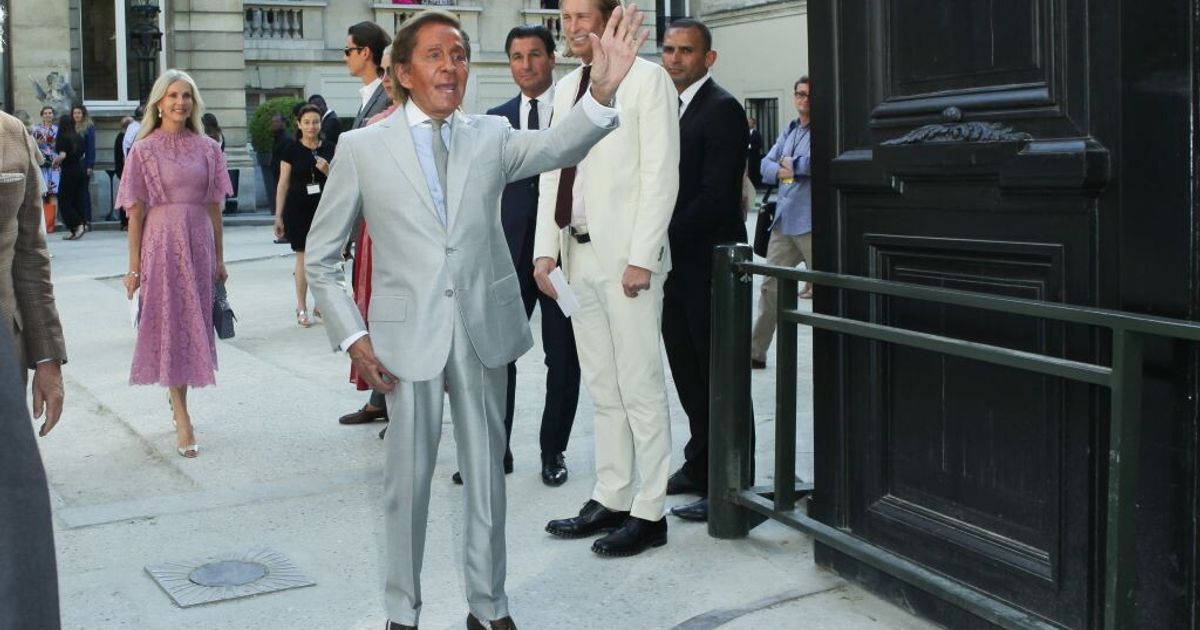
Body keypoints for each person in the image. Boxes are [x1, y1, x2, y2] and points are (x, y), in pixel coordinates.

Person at [304, 8, 643, 628]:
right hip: (404, 341)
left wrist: (601, 92)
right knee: (407, 486)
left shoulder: (491, 134)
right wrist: (353, 336)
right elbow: (322, 259)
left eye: (458, 55)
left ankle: (489, 608)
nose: (450, 67)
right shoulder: (361, 148)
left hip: (483, 330)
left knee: (487, 479)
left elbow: (558, 145)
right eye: (435, 55)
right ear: (403, 72)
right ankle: (401, 612)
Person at [535, 0, 679, 558]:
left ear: (610, 19)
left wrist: (643, 256)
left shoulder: (648, 80)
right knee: (602, 386)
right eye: (565, 17)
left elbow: (660, 174)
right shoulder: (565, 90)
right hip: (576, 258)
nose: (571, 27)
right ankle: (612, 495)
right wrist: (545, 251)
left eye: (582, 16)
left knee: (640, 385)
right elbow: (552, 172)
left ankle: (650, 511)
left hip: (626, 263)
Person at [459, 23, 578, 487]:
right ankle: (496, 450)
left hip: (561, 258)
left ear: (552, 58)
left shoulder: (573, 111)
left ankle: (553, 452)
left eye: (534, 54)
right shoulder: (495, 120)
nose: (526, 65)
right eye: (516, 56)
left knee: (563, 359)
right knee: (497, 357)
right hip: (506, 257)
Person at [657, 18, 749, 522]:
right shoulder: (667, 106)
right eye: (669, 49)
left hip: (713, 264)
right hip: (675, 266)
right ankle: (700, 465)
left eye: (686, 50)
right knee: (688, 371)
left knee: (721, 376)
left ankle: (733, 485)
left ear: (708, 58)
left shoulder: (723, 108)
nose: (674, 58)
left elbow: (717, 197)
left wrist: (657, 238)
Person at [116, 69, 233, 459]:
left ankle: (178, 398)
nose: (180, 102)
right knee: (171, 323)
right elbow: (135, 214)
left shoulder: (208, 148)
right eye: (173, 96)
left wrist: (220, 258)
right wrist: (133, 269)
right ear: (159, 103)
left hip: (199, 244)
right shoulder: (143, 150)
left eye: (186, 96)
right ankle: (182, 416)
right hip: (161, 244)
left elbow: (215, 208)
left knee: (192, 324)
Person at [0, 6, 69, 616]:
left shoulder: (12, 136)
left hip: (1, 347)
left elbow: (30, 259)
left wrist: (47, 360)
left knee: (17, 506)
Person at [334, 20, 392, 428]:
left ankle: (390, 400)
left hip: (384, 227)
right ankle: (380, 399)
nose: (345, 58)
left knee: (382, 312)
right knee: (370, 309)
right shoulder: (369, 100)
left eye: (348, 50)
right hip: (367, 227)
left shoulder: (385, 101)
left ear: (365, 53)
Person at [750, 76, 813, 370]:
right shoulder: (790, 129)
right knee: (770, 288)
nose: (804, 99)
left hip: (811, 222)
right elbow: (764, 165)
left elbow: (813, 162)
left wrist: (789, 165)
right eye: (800, 94)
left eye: (809, 95)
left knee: (829, 289)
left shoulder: (825, 128)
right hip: (784, 221)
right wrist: (789, 169)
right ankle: (756, 352)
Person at [274, 104, 333, 327]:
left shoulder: (330, 148)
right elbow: (283, 183)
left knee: (323, 258)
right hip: (298, 209)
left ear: (321, 124)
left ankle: (320, 305)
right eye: (306, 122)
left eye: (315, 122)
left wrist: (328, 170)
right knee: (303, 257)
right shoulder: (290, 149)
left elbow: (341, 181)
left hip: (324, 209)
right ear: (298, 124)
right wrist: (278, 215)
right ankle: (301, 306)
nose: (311, 126)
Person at [51, 113, 86, 241]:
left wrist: (55, 162)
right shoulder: (78, 136)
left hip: (69, 170)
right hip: (79, 169)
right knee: (76, 199)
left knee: (64, 200)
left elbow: (62, 155)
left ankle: (77, 224)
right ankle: (75, 230)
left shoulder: (62, 136)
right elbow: (82, 154)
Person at [267, 113, 292, 242]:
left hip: (285, 177)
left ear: (283, 123)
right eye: (273, 122)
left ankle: (287, 233)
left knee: (286, 206)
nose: (274, 125)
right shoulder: (278, 138)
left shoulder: (286, 139)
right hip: (278, 175)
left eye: (277, 122)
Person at [70, 104, 96, 232]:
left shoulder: (88, 127)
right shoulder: (70, 127)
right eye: (75, 113)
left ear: (83, 114)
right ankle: (77, 221)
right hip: (71, 165)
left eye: (79, 113)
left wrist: (90, 165)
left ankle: (86, 220)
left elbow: (91, 147)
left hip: (83, 164)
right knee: (73, 193)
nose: (76, 115)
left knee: (83, 193)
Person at [31, 107, 58, 200]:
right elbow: (31, 145)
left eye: (50, 113)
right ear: (42, 116)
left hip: (54, 163)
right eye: (45, 113)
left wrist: (55, 144)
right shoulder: (35, 129)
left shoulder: (57, 129)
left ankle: (53, 210)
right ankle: (42, 210)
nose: (48, 115)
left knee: (54, 192)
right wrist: (37, 143)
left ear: (53, 115)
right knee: (41, 192)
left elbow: (62, 146)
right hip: (41, 162)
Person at [113, 116, 135, 229]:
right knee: (126, 197)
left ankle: (125, 222)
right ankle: (125, 222)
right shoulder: (124, 137)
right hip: (125, 171)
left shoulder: (121, 137)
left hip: (123, 171)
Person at [747, 116, 764, 188]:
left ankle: (755, 185)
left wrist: (751, 146)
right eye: (748, 122)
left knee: (754, 171)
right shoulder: (745, 133)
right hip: (747, 156)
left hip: (754, 156)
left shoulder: (757, 134)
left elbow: (760, 144)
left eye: (750, 123)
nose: (748, 124)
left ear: (754, 124)